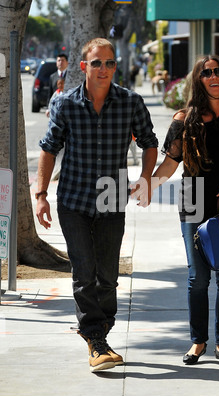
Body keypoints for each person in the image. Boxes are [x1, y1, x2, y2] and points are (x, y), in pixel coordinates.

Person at [36, 38, 158, 372]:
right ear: (83, 66)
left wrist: (146, 177)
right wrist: (41, 194)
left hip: (112, 199)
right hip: (73, 201)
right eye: (96, 63)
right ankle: (95, 338)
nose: (103, 69)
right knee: (84, 271)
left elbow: (149, 142)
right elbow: (48, 148)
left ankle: (100, 333)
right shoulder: (66, 104)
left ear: (115, 66)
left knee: (107, 277)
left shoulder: (130, 102)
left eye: (109, 63)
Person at [152, 55, 219, 364]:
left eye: (218, 71)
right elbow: (170, 163)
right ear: (198, 81)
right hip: (193, 198)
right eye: (206, 73)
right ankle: (198, 342)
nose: (214, 76)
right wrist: (147, 186)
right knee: (197, 278)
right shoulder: (184, 119)